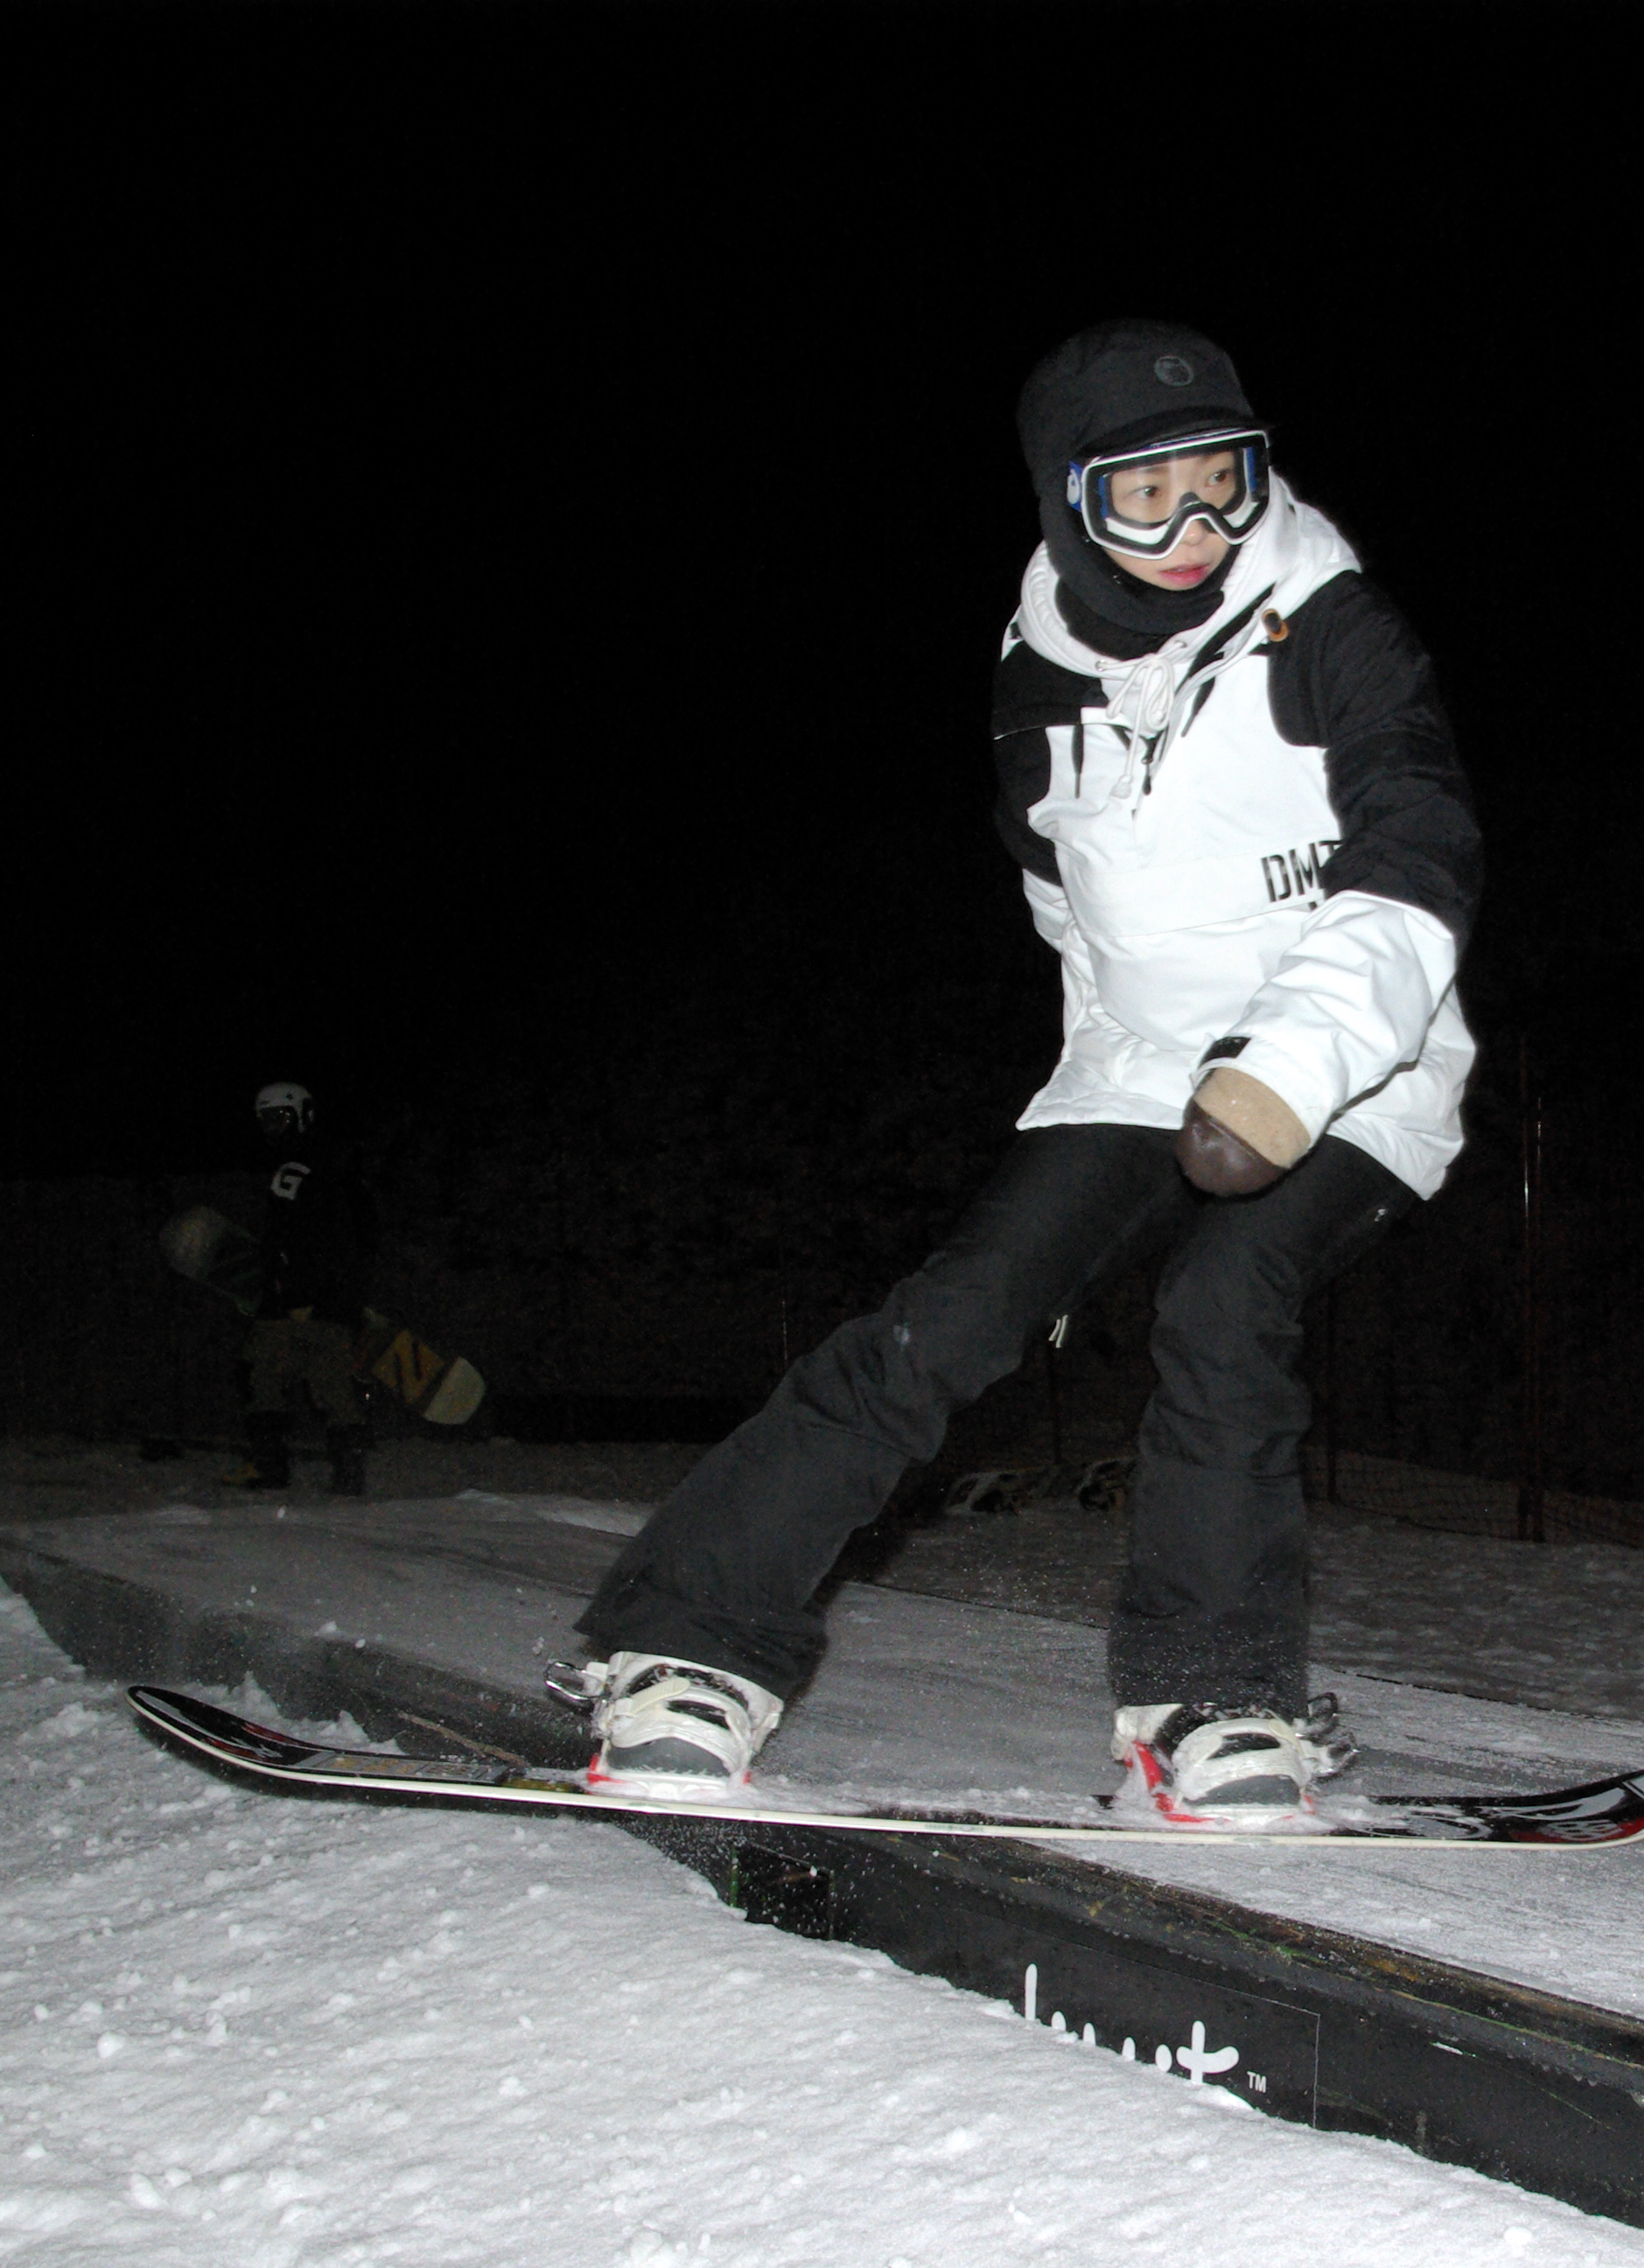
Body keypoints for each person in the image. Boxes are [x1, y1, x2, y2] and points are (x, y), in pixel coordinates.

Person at [569, 319, 1481, 1830]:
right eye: (1147, 498)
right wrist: (1099, 1068)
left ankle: (1213, 1695)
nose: (1197, 530)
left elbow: (1422, 851)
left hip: (1352, 1060)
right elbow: (1058, 885)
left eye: (1224, 481)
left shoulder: (1332, 623)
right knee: (952, 1317)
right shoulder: (1035, 669)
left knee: (1224, 1301)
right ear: (1070, 503)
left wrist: (1291, 1064)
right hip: (1140, 1063)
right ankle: (685, 1646)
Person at [233, 1082, 379, 1498]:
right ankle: (344, 1472)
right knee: (325, 1382)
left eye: (279, 1118)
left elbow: (296, 1234)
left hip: (303, 1295)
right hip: (330, 1293)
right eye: (266, 1120)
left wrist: (296, 1290)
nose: (272, 1128)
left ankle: (272, 1465)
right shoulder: (336, 1162)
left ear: (302, 1115)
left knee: (265, 1374)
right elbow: (361, 1233)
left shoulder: (297, 1167)